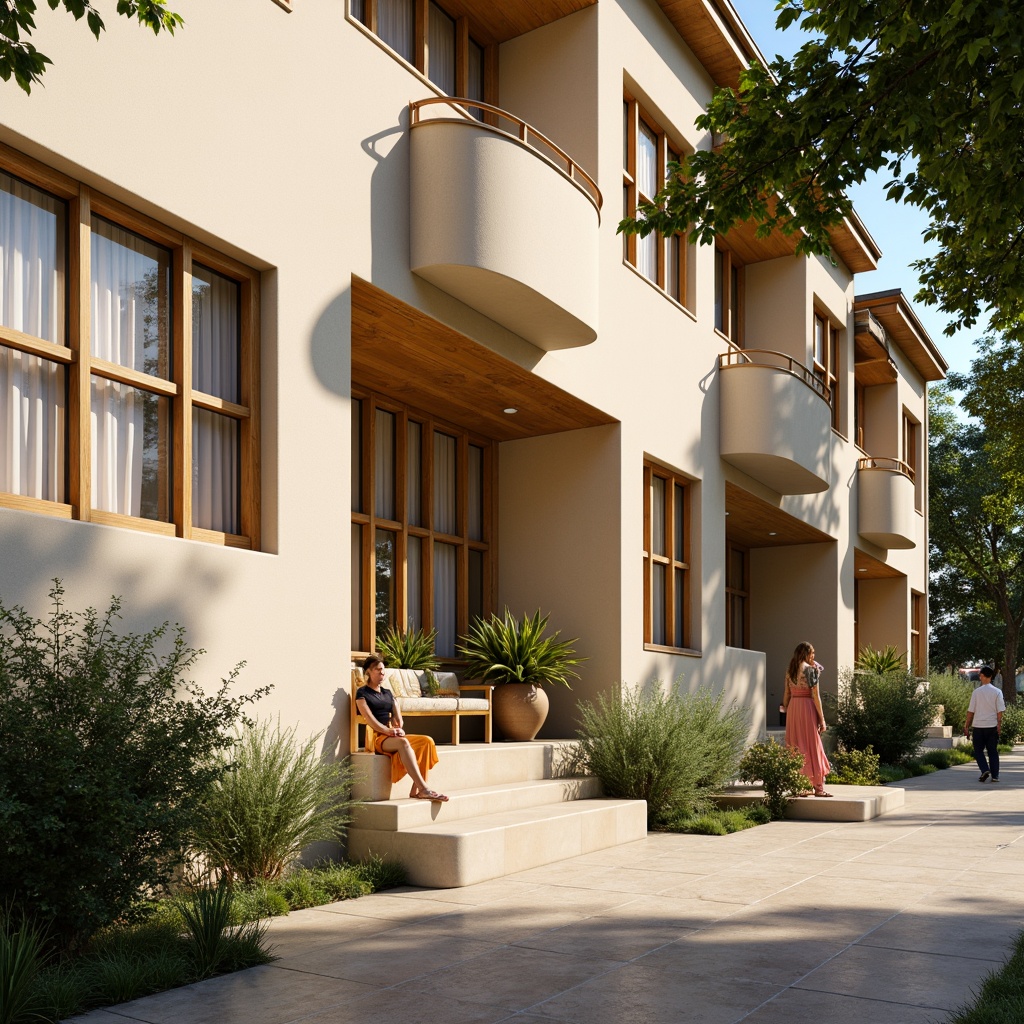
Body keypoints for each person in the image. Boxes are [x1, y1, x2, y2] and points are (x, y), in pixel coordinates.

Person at [355, 653, 449, 801]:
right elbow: (369, 719)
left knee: (427, 741)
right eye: (378, 670)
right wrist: (388, 731)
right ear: (368, 672)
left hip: (392, 735)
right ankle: (425, 789)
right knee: (404, 742)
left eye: (383, 670)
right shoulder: (362, 693)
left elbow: (398, 718)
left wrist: (398, 721)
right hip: (378, 738)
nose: (382, 673)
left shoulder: (387, 693)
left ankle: (416, 790)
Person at [783, 641, 833, 797]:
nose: (814, 656)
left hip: (793, 709)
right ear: (806, 654)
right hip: (807, 708)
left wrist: (787, 709)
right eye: (812, 653)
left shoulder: (789, 671)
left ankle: (801, 785)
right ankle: (818, 787)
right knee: (813, 745)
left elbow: (786, 695)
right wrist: (822, 719)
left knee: (796, 745)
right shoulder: (811, 670)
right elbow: (816, 696)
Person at [965, 665, 1005, 783]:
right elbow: (999, 712)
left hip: (978, 726)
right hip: (992, 726)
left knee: (978, 751)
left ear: (982, 676)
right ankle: (995, 776)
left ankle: (984, 769)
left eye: (980, 675)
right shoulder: (997, 692)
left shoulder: (976, 692)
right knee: (992, 751)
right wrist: (999, 725)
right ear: (991, 676)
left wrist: (966, 725)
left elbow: (970, 711)